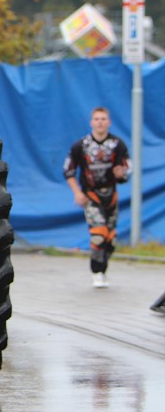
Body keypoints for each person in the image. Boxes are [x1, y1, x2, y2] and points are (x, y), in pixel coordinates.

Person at [63, 107, 131, 288]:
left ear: (109, 122)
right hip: (90, 196)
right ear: (91, 122)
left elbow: (126, 170)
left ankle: (103, 268)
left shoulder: (118, 145)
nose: (100, 122)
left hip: (111, 195)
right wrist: (77, 192)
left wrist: (121, 174)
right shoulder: (81, 146)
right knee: (98, 234)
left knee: (110, 239)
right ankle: (96, 271)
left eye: (103, 119)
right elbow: (68, 170)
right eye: (96, 119)